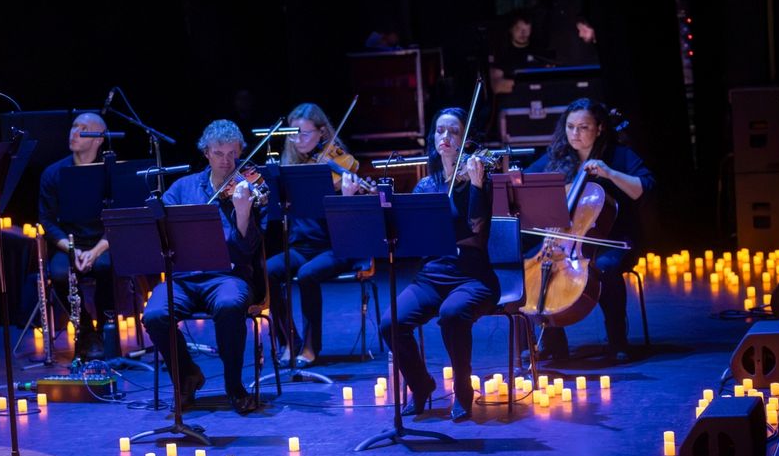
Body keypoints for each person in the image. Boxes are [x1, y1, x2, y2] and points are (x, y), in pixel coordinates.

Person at [349, 107, 497, 422]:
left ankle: (463, 389)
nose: (444, 137)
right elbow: (409, 240)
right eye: (440, 131)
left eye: (453, 131)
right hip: (432, 277)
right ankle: (421, 384)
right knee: (391, 323)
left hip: (472, 278)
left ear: (465, 140)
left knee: (452, 314)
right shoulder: (426, 186)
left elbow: (477, 234)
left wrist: (477, 186)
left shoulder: (479, 180)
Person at [141, 119, 263, 414]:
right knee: (155, 314)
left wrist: (243, 212)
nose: (226, 162)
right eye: (219, 154)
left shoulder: (249, 187)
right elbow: (159, 229)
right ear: (206, 153)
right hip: (184, 277)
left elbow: (248, 251)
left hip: (227, 276)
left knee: (230, 305)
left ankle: (234, 386)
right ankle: (187, 376)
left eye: (232, 154)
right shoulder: (183, 188)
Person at [526, 99, 654, 363]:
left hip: (614, 238)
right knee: (530, 267)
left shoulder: (619, 155)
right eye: (570, 127)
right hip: (566, 241)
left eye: (583, 127)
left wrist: (610, 174)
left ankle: (618, 340)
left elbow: (644, 187)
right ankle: (552, 343)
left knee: (605, 268)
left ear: (599, 128)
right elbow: (528, 183)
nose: (575, 134)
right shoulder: (556, 157)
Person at [266, 102, 363, 367]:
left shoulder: (340, 164)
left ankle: (311, 346)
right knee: (267, 272)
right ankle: (288, 340)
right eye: (293, 134)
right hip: (302, 247)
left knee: (308, 274)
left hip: (337, 247)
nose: (298, 139)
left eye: (305, 133)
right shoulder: (288, 169)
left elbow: (355, 220)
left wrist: (347, 196)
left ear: (322, 133)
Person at [38, 112, 115, 359]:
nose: (74, 133)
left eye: (83, 128)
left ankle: (107, 330)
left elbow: (120, 219)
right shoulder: (53, 173)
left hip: (103, 243)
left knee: (107, 267)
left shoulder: (110, 171)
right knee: (60, 273)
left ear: (99, 139)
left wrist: (95, 251)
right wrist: (73, 250)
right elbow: (47, 221)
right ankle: (86, 331)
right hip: (68, 245)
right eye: (73, 127)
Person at [489, 12, 542, 95]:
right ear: (511, 29)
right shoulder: (502, 53)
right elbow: (496, 85)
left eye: (527, 29)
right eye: (518, 28)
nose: (523, 33)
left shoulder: (539, 51)